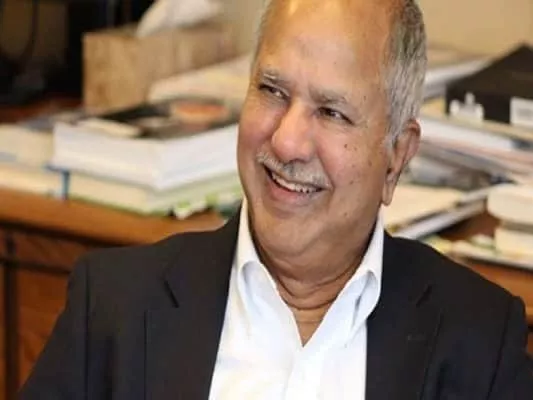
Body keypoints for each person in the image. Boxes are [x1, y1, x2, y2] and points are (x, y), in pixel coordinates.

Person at [20, 0, 533, 398]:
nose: (286, 142)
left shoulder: (479, 340)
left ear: (396, 156)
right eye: (271, 90)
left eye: (332, 112)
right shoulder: (114, 308)